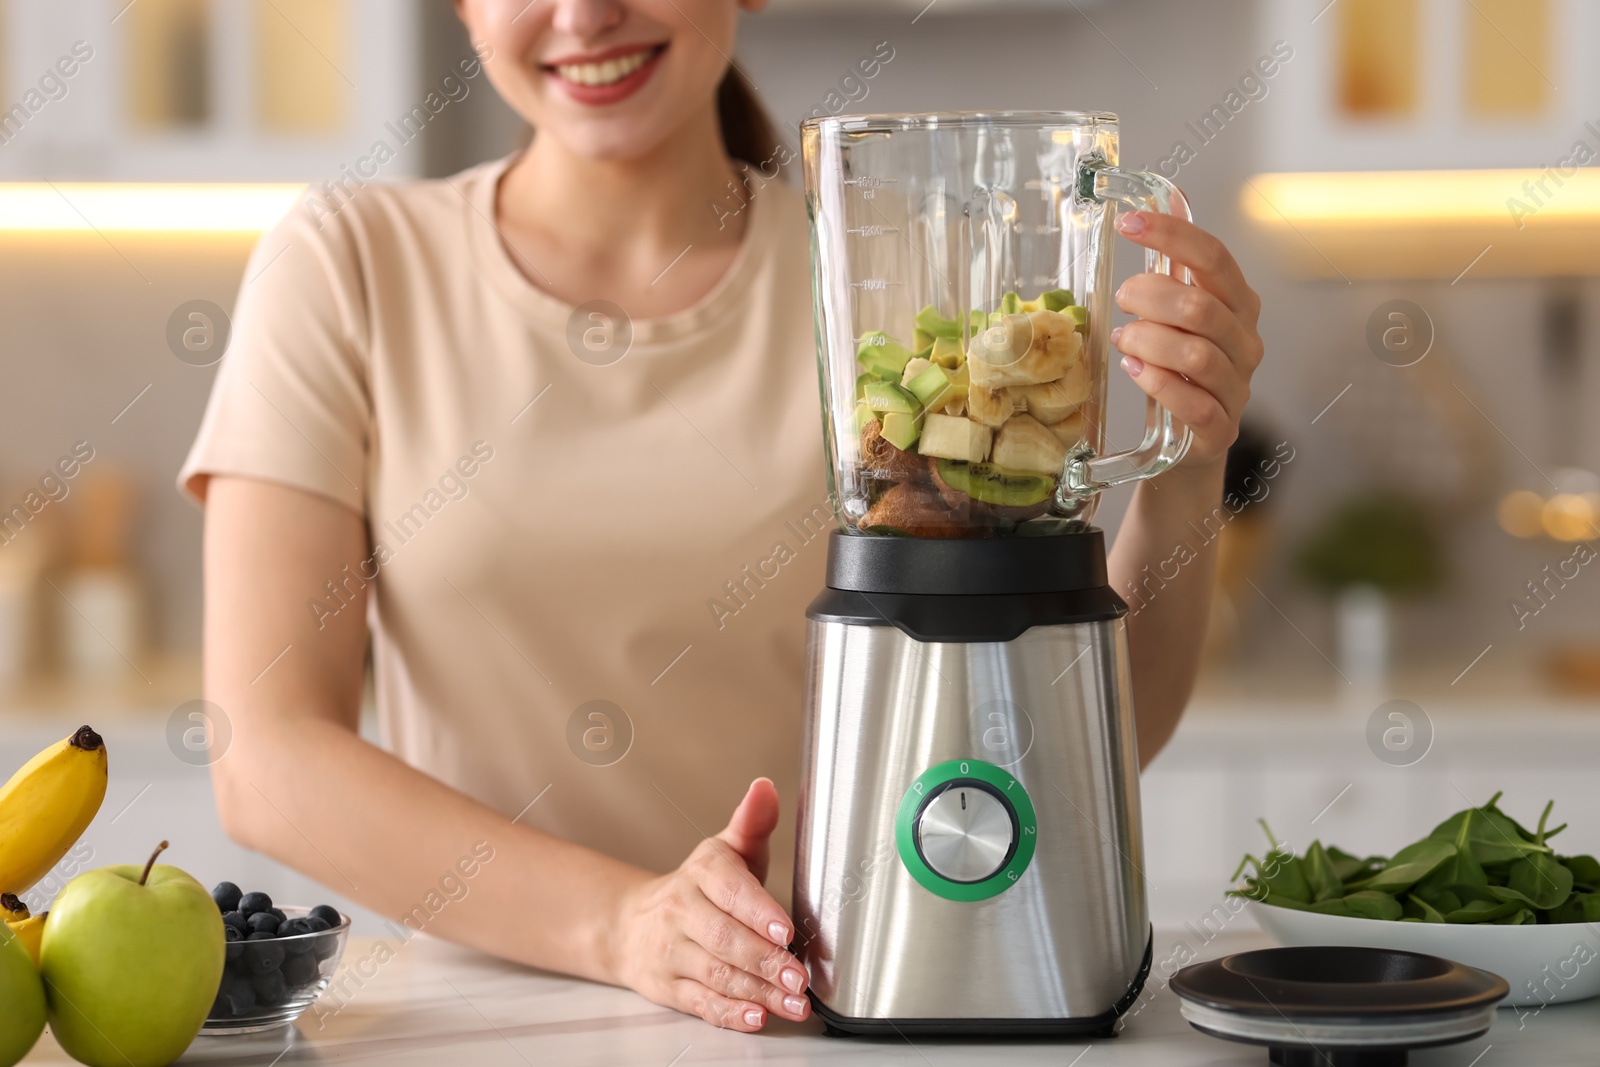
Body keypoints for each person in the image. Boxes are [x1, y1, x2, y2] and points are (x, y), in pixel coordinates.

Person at [180, 0, 1264, 1034]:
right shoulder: (348, 263)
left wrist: (1184, 461)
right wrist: (624, 924)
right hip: (481, 1024)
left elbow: (1070, 732)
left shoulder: (873, 298)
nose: (585, 13)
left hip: (831, 1007)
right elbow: (267, 754)